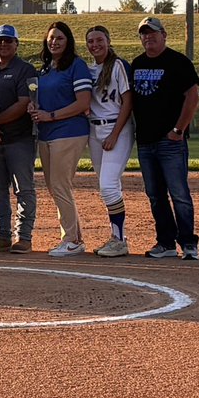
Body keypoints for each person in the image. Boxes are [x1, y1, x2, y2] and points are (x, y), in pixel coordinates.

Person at [130, 16, 199, 260]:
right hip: (146, 141)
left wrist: (179, 130)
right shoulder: (136, 64)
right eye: (144, 33)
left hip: (170, 141)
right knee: (155, 195)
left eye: (152, 32)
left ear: (164, 35)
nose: (148, 37)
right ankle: (166, 243)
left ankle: (189, 243)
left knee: (179, 193)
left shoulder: (178, 62)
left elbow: (192, 98)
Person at [28, 21, 92, 257]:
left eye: (60, 38)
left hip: (69, 131)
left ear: (68, 42)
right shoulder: (45, 68)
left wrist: (51, 115)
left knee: (60, 185)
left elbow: (83, 102)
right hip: (46, 132)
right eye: (51, 38)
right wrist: (34, 107)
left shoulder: (76, 65)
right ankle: (74, 236)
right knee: (55, 187)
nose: (54, 42)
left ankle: (72, 240)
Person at [0, 25, 39, 254]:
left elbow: (23, 104)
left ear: (16, 44)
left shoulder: (25, 69)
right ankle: (2, 235)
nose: (3, 44)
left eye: (8, 40)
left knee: (23, 189)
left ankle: (23, 237)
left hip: (19, 138)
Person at [84, 26, 135, 257]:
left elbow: (128, 101)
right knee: (107, 186)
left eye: (99, 40)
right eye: (91, 41)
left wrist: (115, 133)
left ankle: (119, 239)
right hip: (95, 130)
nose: (95, 45)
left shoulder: (118, 65)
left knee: (108, 185)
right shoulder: (88, 69)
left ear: (108, 40)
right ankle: (117, 236)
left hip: (117, 127)